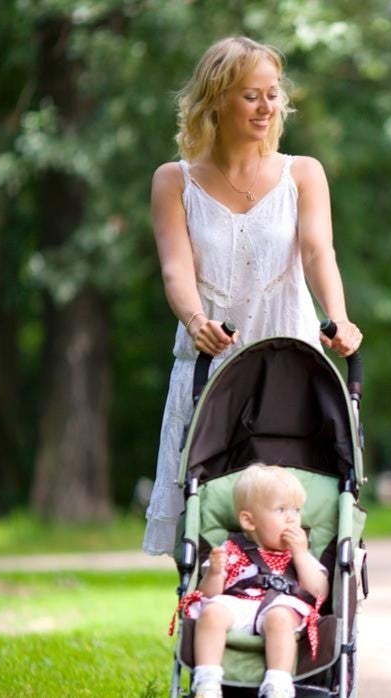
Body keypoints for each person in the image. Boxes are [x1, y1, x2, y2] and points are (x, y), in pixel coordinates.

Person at [144, 37, 362, 557]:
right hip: (210, 362)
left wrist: (340, 317)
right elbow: (176, 270)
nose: (268, 107)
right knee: (208, 504)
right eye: (251, 96)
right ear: (215, 99)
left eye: (273, 94)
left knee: (290, 499)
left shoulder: (302, 173)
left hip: (288, 358)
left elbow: (317, 253)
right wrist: (194, 319)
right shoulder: (174, 181)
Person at [188, 463, 328, 698]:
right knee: (211, 612)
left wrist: (301, 555)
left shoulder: (300, 554)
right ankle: (207, 682)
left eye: (296, 510)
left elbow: (320, 591)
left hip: (281, 605)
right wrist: (214, 572)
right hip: (240, 602)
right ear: (249, 522)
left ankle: (278, 684)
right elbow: (208, 594)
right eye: (281, 510)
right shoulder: (231, 549)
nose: (292, 519)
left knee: (279, 619)